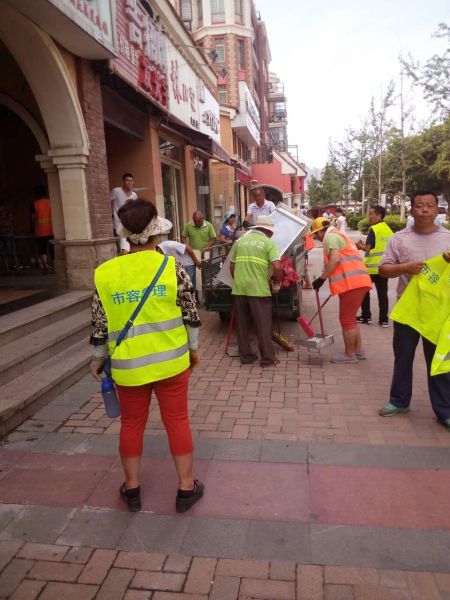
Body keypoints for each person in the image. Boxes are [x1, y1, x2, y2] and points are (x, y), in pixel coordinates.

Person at [89, 199, 203, 513]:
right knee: (177, 422)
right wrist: (193, 351)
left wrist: (98, 357)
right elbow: (190, 313)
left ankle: (132, 489)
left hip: (128, 367)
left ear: (123, 233)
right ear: (155, 233)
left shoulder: (105, 273)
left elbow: (100, 322)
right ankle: (185, 488)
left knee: (131, 425)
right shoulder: (171, 266)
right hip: (171, 362)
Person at [378, 191, 450, 424]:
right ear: (412, 210)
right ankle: (399, 401)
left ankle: (445, 410)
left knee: (439, 360)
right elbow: (383, 269)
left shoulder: (448, 239)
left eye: (430, 205)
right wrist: (406, 267)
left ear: (437, 209)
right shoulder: (399, 239)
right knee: (403, 356)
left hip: (438, 311)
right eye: (420, 206)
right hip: (407, 309)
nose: (425, 209)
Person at [311, 217, 372, 363]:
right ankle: (359, 351)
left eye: (315, 234)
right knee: (350, 319)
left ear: (321, 232)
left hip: (352, 283)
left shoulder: (330, 237)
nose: (315, 238)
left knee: (346, 319)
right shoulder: (338, 235)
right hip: (357, 282)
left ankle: (349, 354)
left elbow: (335, 260)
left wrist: (321, 279)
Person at [230, 215, 283, 367]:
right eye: (271, 231)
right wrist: (277, 284)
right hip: (258, 290)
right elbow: (278, 267)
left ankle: (246, 356)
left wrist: (240, 280)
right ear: (267, 230)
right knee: (263, 326)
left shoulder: (240, 241)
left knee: (243, 326)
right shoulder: (268, 242)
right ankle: (267, 359)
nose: (272, 234)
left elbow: (232, 266)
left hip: (240, 289)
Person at [356, 205, 393, 327]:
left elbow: (368, 248)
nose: (369, 216)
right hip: (384, 268)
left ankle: (366, 316)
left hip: (371, 268)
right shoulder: (388, 229)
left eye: (371, 214)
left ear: (379, 215)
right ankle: (384, 320)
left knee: (364, 291)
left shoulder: (374, 229)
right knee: (383, 294)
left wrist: (359, 246)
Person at [111, 173, 137, 253]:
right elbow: (107, 202)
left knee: (128, 245)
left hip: (130, 224)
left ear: (133, 182)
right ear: (123, 181)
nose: (129, 182)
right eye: (127, 180)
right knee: (123, 244)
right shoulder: (116, 191)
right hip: (118, 223)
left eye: (131, 181)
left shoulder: (134, 195)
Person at [32, 185, 54, 274]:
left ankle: (45, 266)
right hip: (51, 230)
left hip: (40, 230)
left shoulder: (34, 204)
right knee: (52, 249)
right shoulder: (50, 202)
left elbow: (32, 217)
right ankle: (54, 267)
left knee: (42, 249)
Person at [0, 197, 19, 273]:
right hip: (4, 236)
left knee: (13, 253)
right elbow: (8, 224)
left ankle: (17, 268)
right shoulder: (7, 214)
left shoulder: (8, 214)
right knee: (4, 253)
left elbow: (10, 224)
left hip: (8, 235)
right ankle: (8, 270)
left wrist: (2, 224)